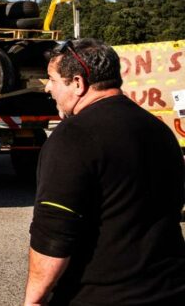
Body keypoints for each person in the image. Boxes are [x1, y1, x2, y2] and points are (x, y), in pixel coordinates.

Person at [24, 38, 185, 305]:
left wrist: (33, 299)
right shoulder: (158, 130)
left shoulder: (72, 137)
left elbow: (54, 231)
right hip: (170, 288)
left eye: (52, 79)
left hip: (103, 295)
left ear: (78, 83)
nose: (47, 88)